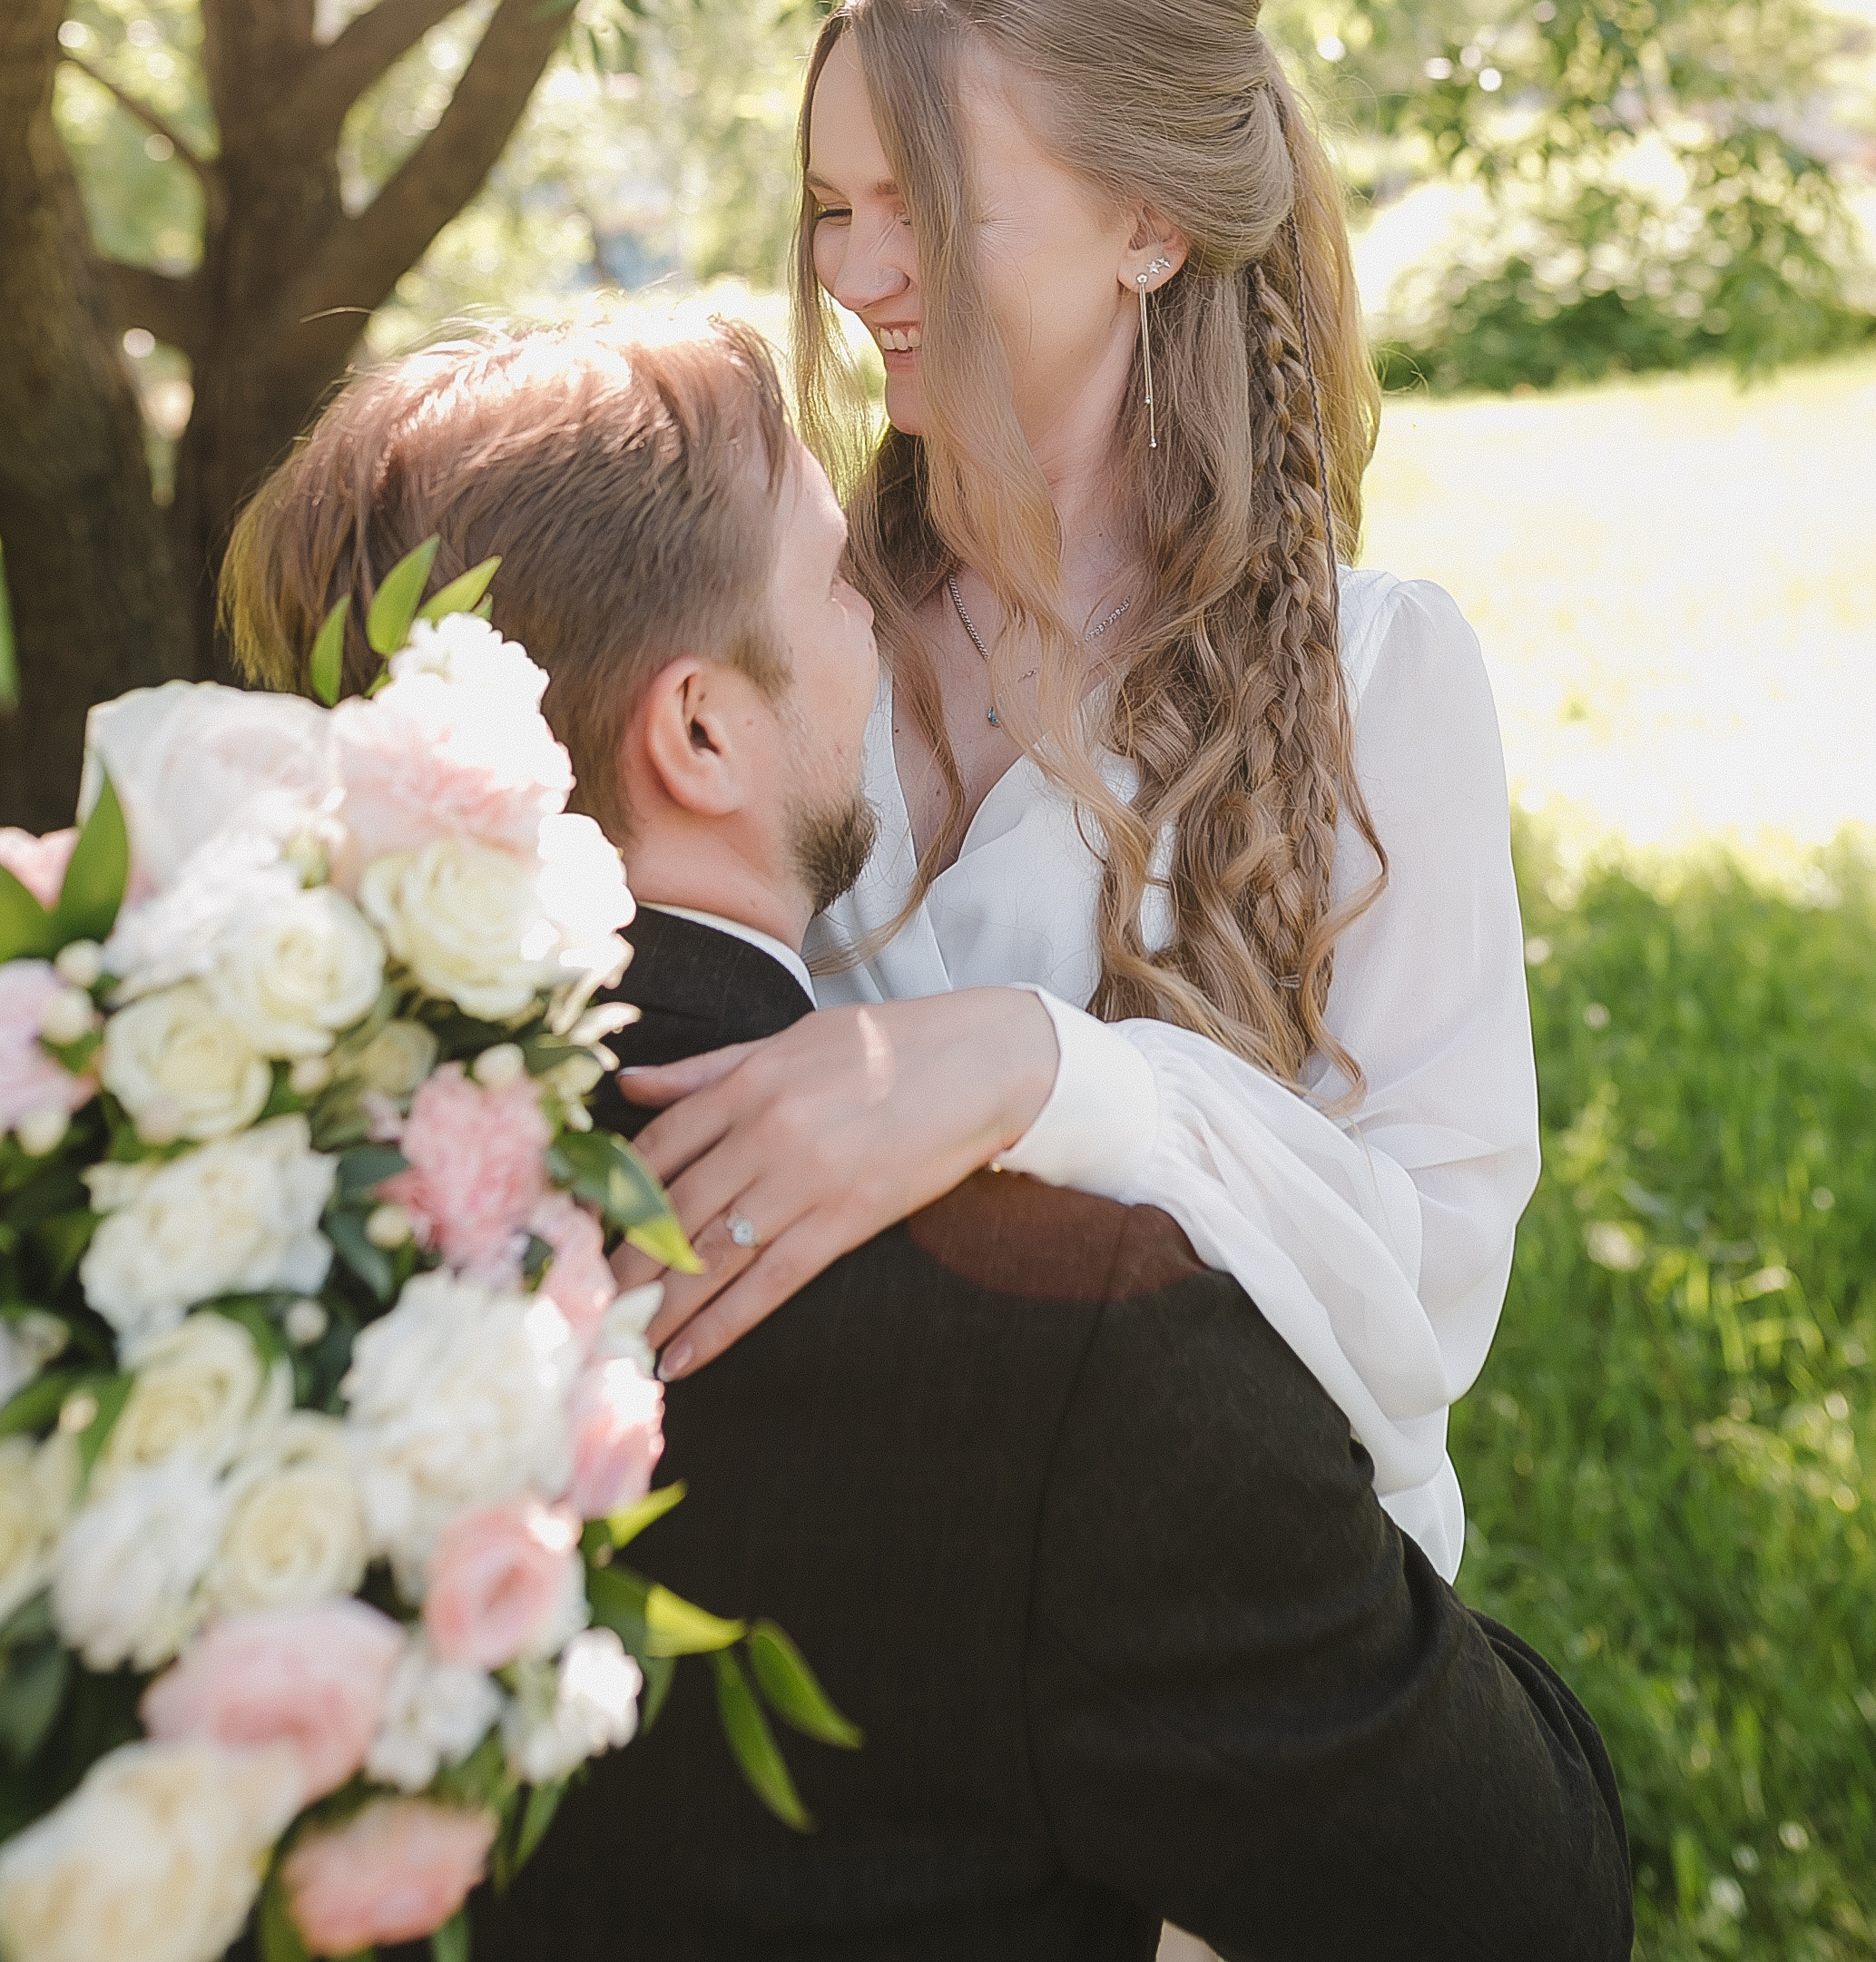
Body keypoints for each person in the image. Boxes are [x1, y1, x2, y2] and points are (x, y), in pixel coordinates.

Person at [223, 318, 1632, 1962]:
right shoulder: (1086, 1352)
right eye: (835, 582)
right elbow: (1531, 1907)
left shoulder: (214, 1214)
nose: (886, 624)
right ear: (699, 734)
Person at [611, 0, 1536, 1579]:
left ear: (1149, 227)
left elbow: (1427, 1287)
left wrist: (1048, 1073)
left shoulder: (1376, 675)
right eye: (832, 206)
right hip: (814, 1566)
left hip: (1222, 1593)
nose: (859, 271)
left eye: (926, 204)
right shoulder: (775, 631)